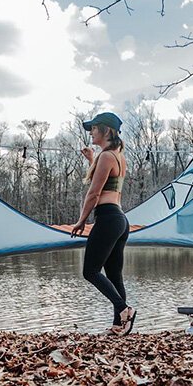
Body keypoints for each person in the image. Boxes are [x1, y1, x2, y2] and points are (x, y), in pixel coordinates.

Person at [71, 112, 137, 335]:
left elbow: (94, 193)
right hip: (120, 220)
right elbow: (105, 180)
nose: (91, 132)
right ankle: (120, 325)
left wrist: (82, 220)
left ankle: (123, 309)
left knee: (90, 271)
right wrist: (92, 159)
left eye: (94, 128)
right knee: (113, 274)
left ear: (106, 130)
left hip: (108, 218)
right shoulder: (117, 156)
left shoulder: (107, 157)